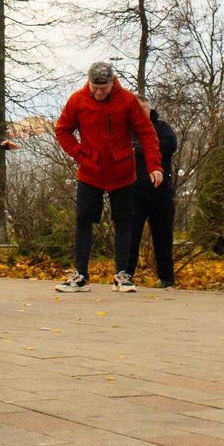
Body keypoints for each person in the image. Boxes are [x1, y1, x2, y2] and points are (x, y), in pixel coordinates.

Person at [53, 63, 162, 292]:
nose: (99, 92)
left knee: (123, 221)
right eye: (95, 87)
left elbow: (146, 132)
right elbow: (62, 130)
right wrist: (81, 154)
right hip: (90, 170)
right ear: (89, 83)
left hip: (121, 171)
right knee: (84, 220)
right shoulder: (78, 100)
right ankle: (80, 275)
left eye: (103, 88)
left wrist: (155, 165)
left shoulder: (128, 100)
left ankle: (122, 275)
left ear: (113, 82)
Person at [140, 108, 180, 290]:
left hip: (161, 191)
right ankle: (125, 275)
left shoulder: (162, 127)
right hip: (134, 191)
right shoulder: (127, 129)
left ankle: (167, 279)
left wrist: (141, 147)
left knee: (163, 237)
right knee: (130, 236)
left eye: (143, 108)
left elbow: (170, 145)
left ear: (149, 109)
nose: (140, 111)